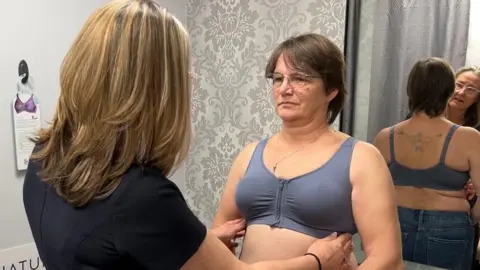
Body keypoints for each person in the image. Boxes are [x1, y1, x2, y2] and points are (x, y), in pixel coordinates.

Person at [21, 1, 354, 269]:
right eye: (183, 72)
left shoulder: (44, 157)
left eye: (300, 79)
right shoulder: (142, 197)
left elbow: (115, 244)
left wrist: (196, 240)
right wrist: (317, 261)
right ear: (153, 88)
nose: (191, 81)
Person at [213, 33, 403, 270]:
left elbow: (387, 259)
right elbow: (218, 237)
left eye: (300, 79)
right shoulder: (249, 154)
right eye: (278, 79)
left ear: (331, 90)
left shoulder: (362, 158)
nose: (284, 89)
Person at [373, 58, 480, 270]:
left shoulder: (386, 137)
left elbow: (370, 193)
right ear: (449, 91)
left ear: (410, 90)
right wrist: (471, 218)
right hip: (449, 226)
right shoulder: (469, 137)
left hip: (395, 223)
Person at [447, 66, 480, 270]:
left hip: (466, 207)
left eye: (470, 89)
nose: (461, 92)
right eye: (459, 85)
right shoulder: (422, 118)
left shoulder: (477, 130)